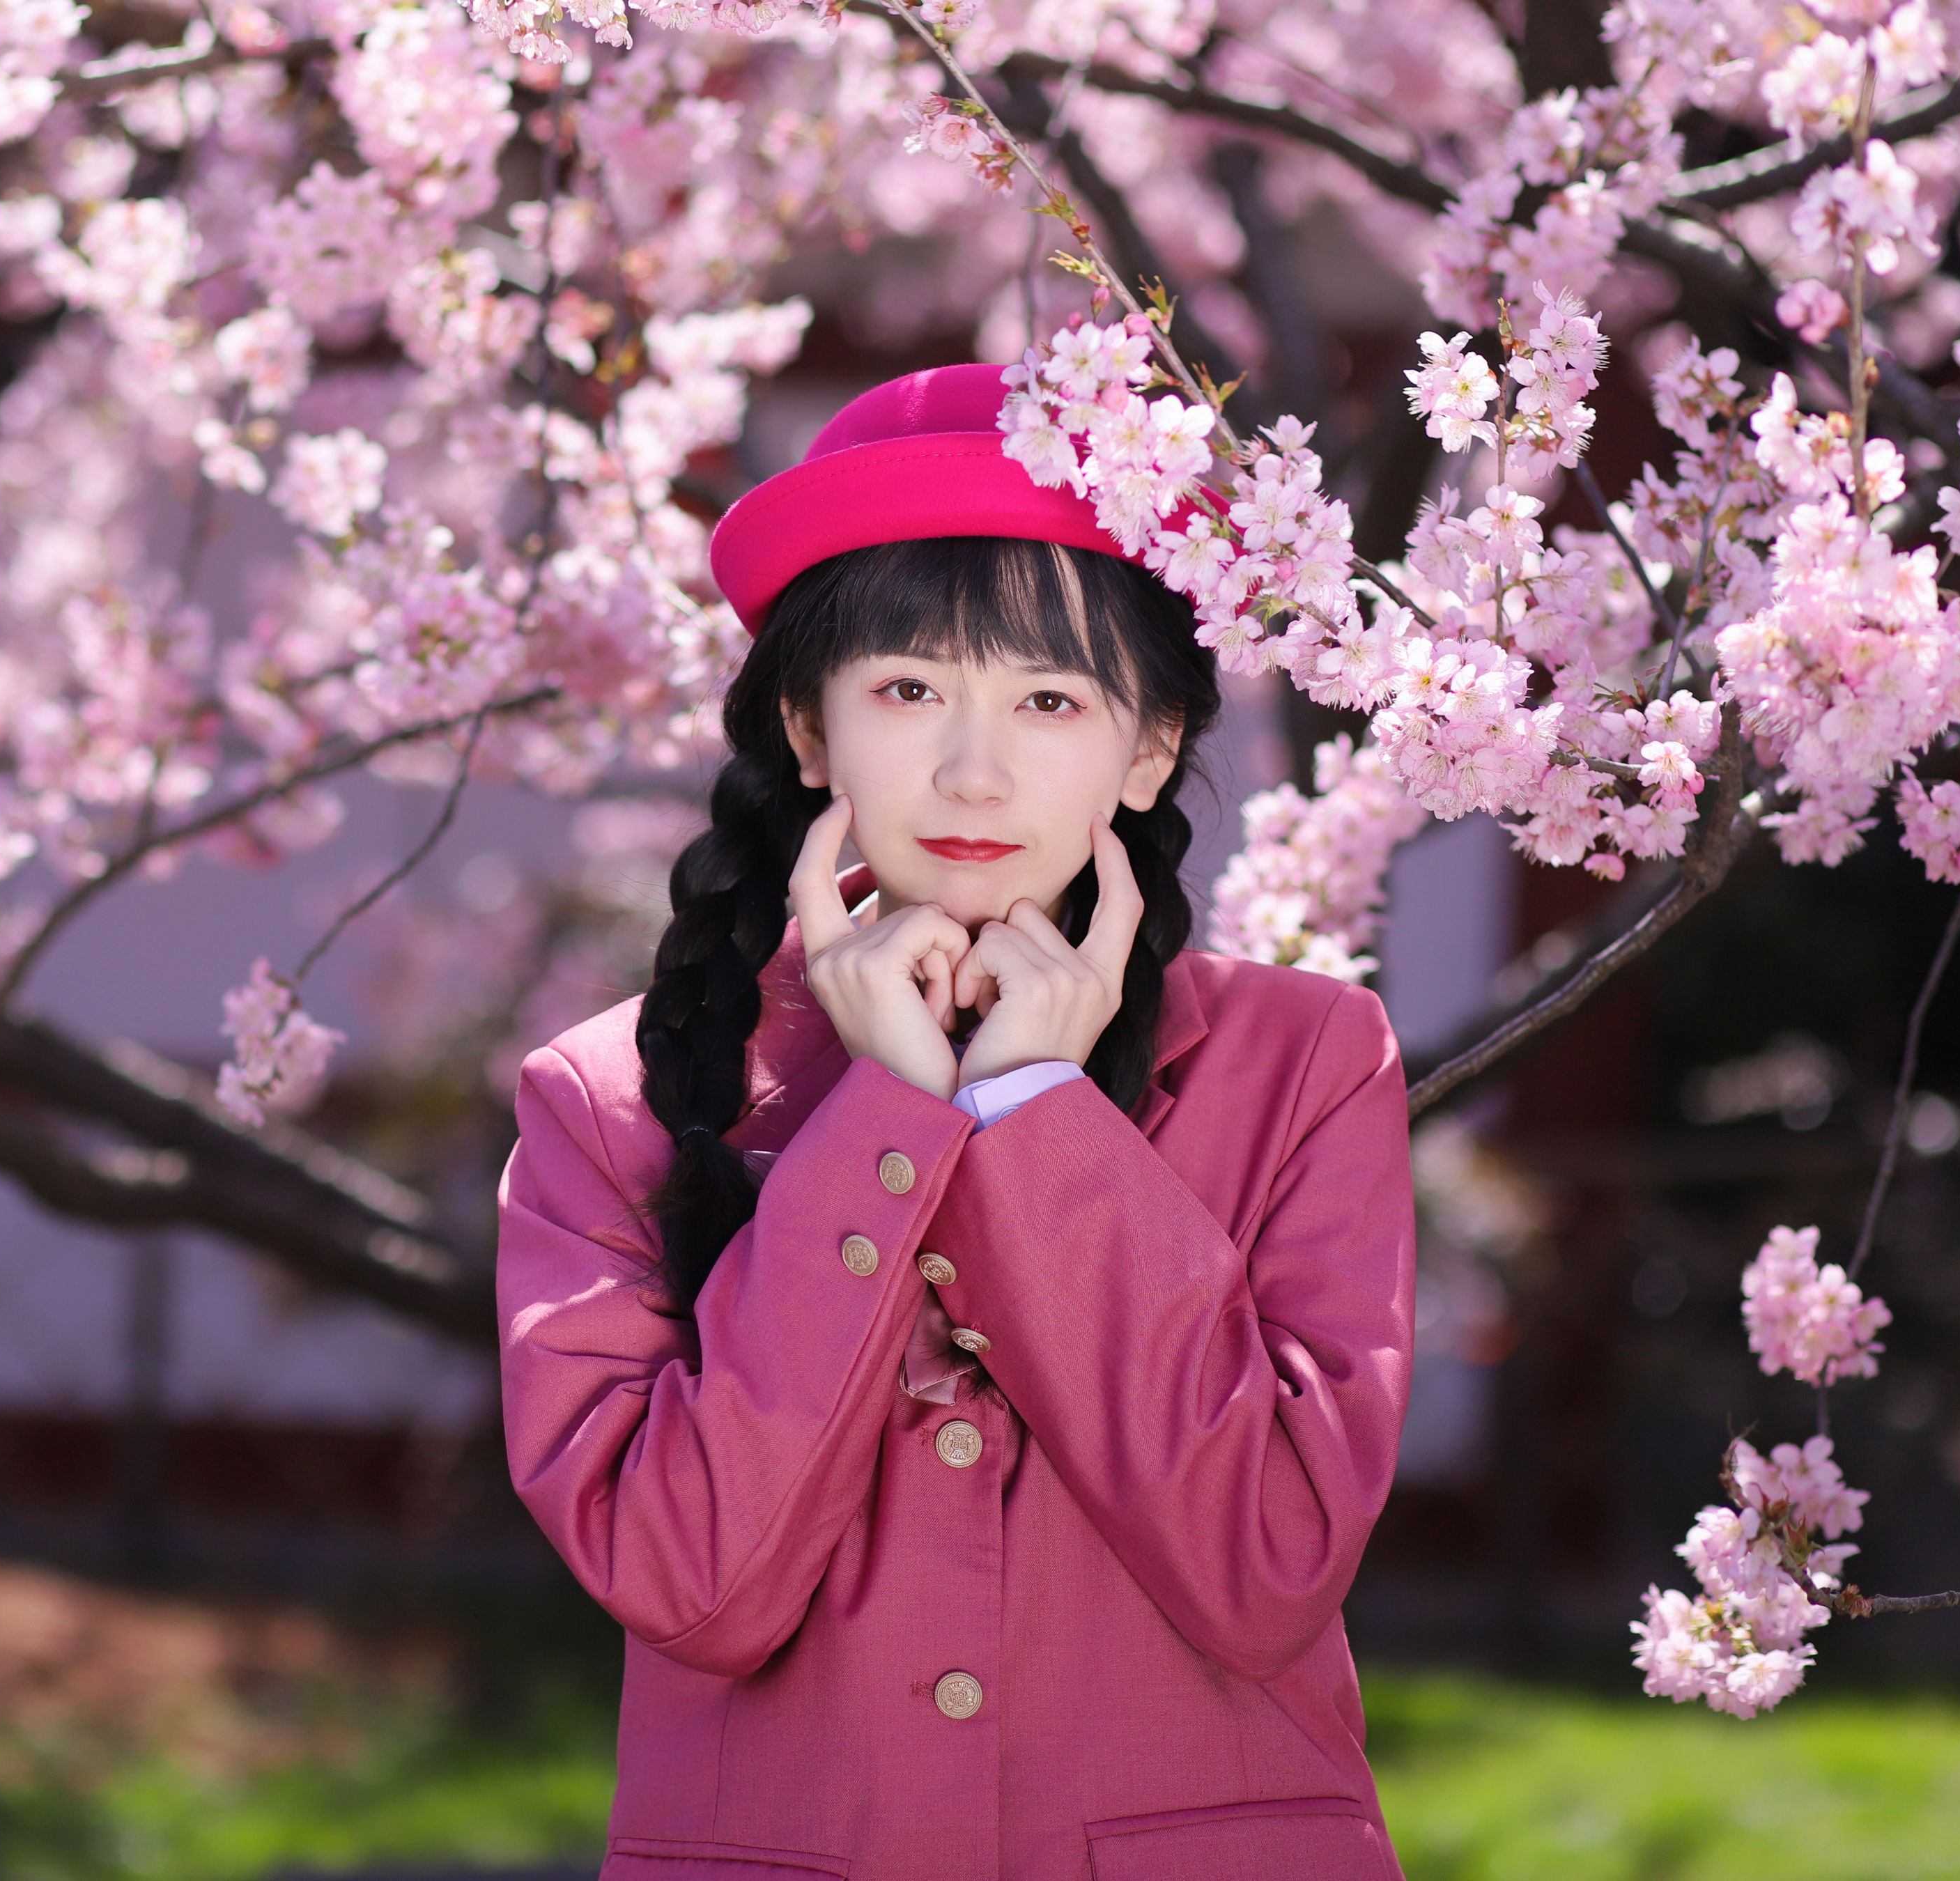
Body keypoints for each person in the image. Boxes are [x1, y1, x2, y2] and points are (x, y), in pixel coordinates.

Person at [495, 362, 1416, 1880]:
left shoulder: (1307, 1063)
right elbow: (692, 1585)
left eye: (1050, 701)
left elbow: (1267, 1565)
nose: (973, 770)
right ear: (808, 729)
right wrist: (890, 1115)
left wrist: (1037, 1111)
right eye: (908, 689)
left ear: (1151, 746)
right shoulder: (611, 1101)